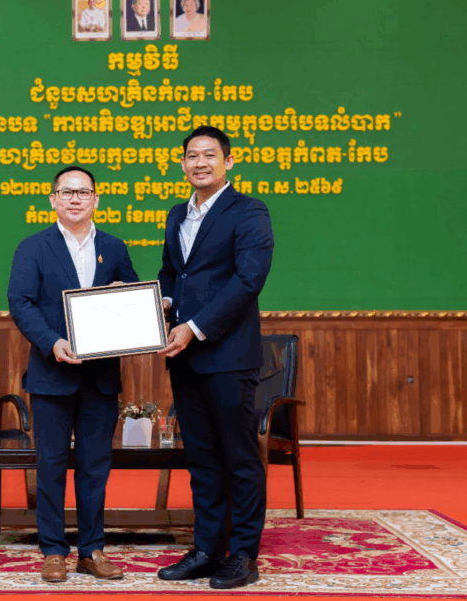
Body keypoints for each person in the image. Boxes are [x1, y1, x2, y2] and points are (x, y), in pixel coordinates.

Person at [155, 126, 274, 590]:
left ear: (228, 161)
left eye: (209, 154)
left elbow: (248, 281)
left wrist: (194, 327)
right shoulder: (176, 214)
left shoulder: (249, 211)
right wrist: (159, 306)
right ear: (182, 164)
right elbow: (172, 273)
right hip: (185, 358)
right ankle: (207, 549)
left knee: (240, 458)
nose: (200, 162)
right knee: (202, 460)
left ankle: (242, 555)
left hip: (228, 354)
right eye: (191, 155)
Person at [7, 166, 139, 584]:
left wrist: (125, 297)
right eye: (67, 192)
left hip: (101, 378)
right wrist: (52, 342)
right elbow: (21, 302)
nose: (76, 199)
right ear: (53, 200)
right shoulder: (33, 247)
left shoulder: (114, 247)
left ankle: (92, 550)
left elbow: (133, 298)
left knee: (95, 467)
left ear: (96, 199)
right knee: (50, 465)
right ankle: (52, 551)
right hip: (52, 374)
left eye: (84, 192)